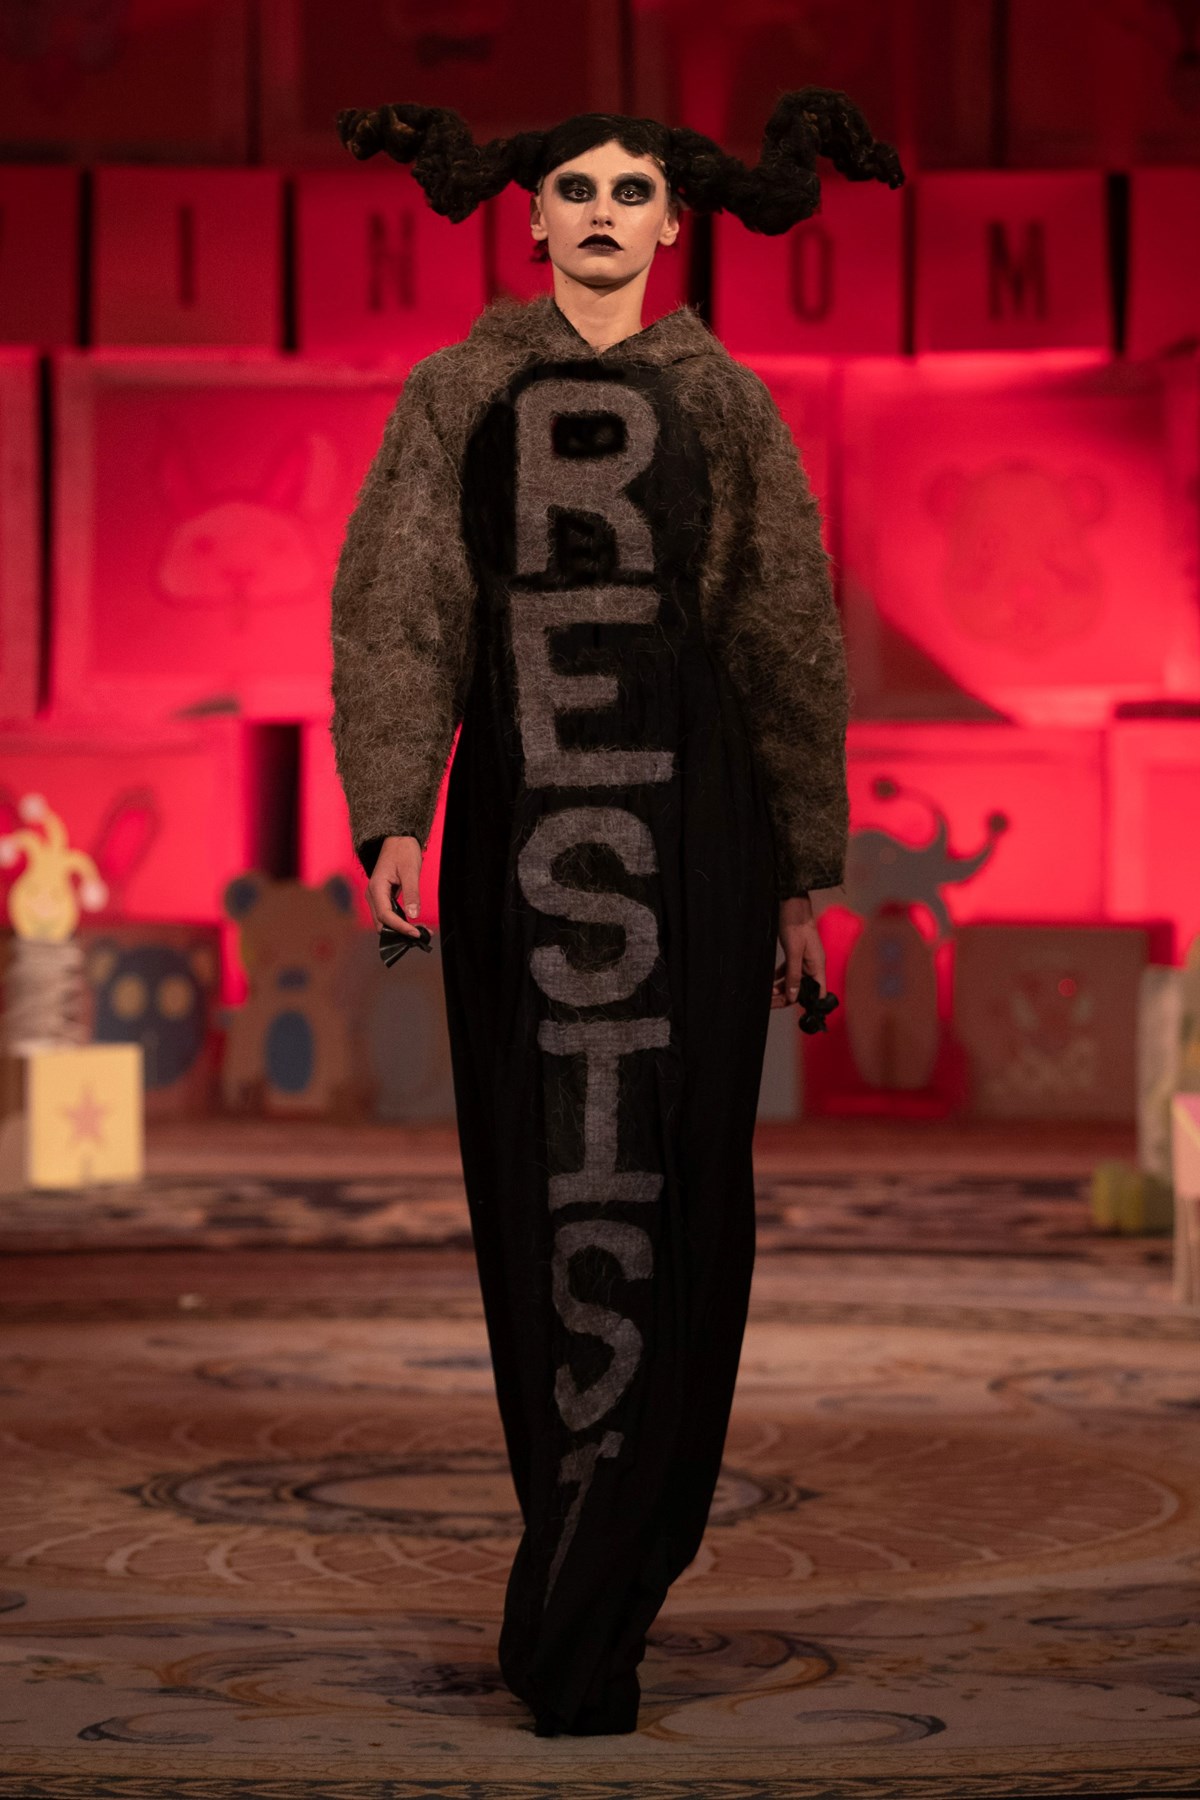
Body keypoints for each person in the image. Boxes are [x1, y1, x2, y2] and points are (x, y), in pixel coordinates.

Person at [329, 90, 904, 1736]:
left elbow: (785, 634)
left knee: (675, 1183)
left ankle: (614, 1585)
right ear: (530, 220)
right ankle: (572, 1552)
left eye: (629, 191)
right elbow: (402, 605)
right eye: (571, 186)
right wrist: (392, 809)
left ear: (673, 225)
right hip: (526, 831)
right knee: (543, 1178)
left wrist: (804, 869)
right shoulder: (460, 393)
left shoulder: (731, 408)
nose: (596, 210)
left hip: (699, 838)